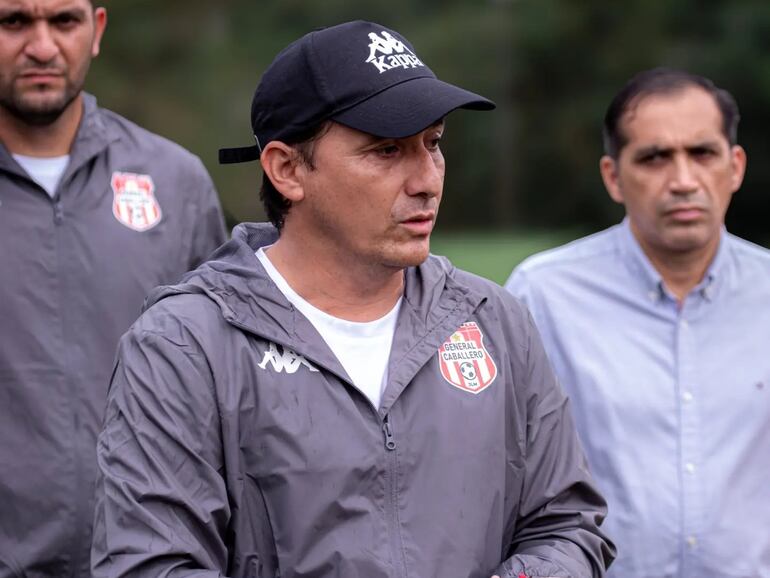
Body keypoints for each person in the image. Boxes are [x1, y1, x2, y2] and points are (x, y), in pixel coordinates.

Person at [91, 20, 615, 578]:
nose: (427, 179)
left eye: (433, 144)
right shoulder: (185, 345)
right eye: (386, 150)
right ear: (287, 169)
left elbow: (566, 524)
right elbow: (151, 565)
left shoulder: (494, 321)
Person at [506, 67, 770, 578]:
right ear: (613, 176)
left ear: (735, 166)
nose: (683, 180)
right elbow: (502, 476)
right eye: (654, 157)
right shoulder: (544, 296)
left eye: (702, 153)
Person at [0, 0, 227, 576]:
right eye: (13, 22)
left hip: (149, 558)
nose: (42, 47)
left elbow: (225, 389)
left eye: (64, 21)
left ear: (96, 30)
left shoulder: (175, 181)